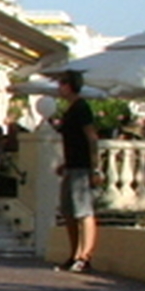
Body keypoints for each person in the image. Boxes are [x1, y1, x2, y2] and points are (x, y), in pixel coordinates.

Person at [53, 69, 100, 273]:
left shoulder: (82, 108)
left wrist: (94, 167)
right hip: (71, 166)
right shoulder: (70, 109)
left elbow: (91, 137)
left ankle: (86, 255)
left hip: (82, 167)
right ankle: (74, 254)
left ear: (69, 85)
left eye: (62, 83)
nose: (59, 87)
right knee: (69, 212)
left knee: (84, 211)